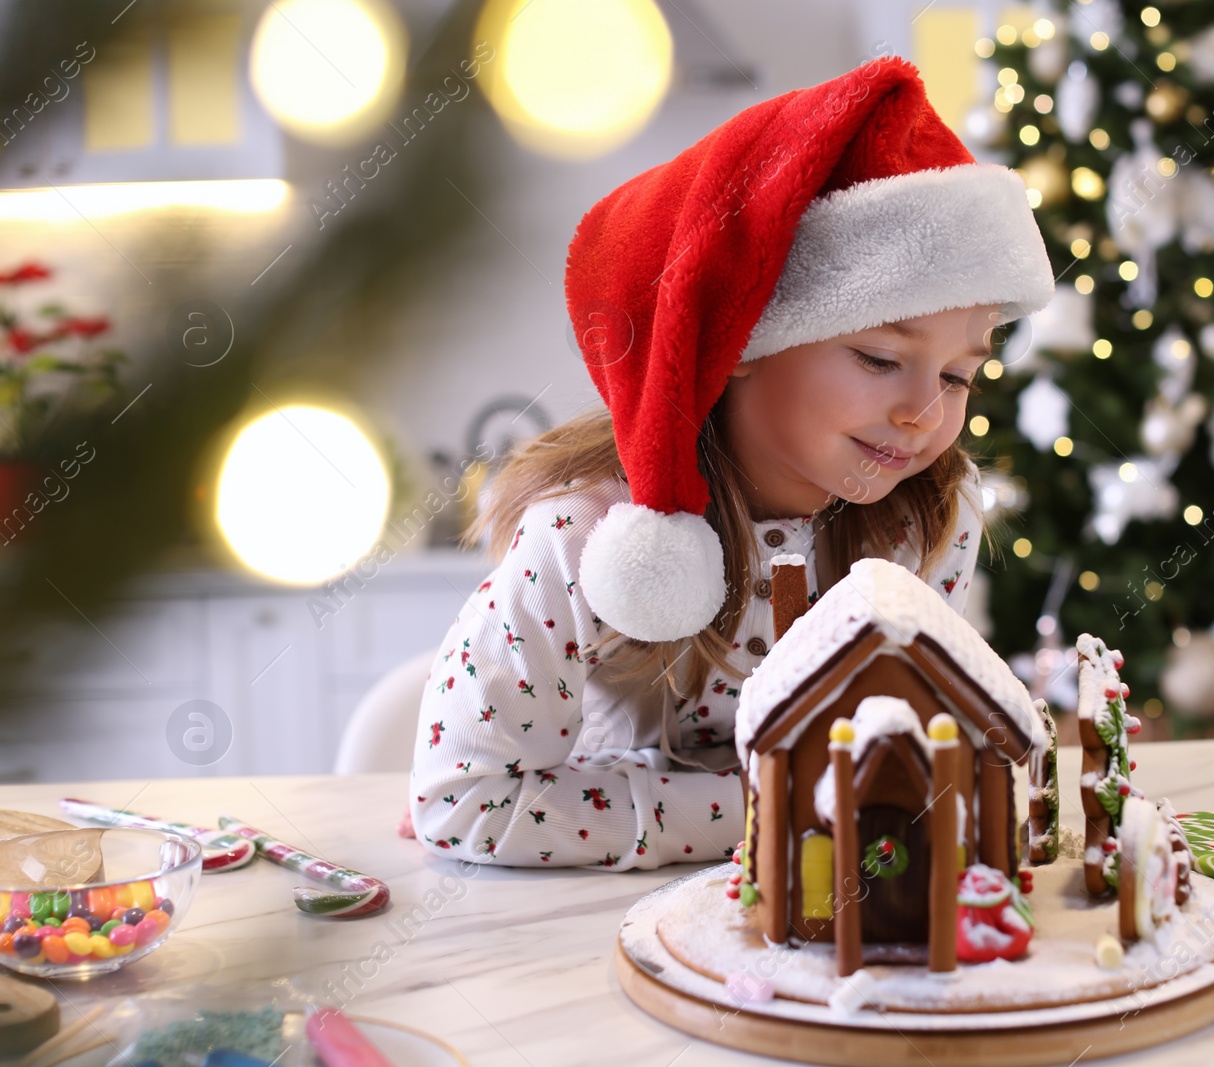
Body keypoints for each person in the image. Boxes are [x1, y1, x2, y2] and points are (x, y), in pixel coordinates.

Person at [408, 55, 1054, 869]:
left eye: (960, 375)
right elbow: (462, 801)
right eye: (880, 358)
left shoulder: (929, 521)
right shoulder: (582, 540)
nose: (925, 412)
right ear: (740, 339)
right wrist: (770, 809)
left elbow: (910, 746)